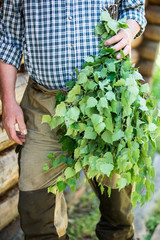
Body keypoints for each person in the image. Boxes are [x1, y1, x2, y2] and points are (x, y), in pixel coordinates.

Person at [0, 1, 146, 240]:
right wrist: (8, 102)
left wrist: (127, 31)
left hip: (105, 105)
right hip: (44, 107)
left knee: (117, 212)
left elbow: (134, 8)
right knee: (36, 215)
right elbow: (9, 39)